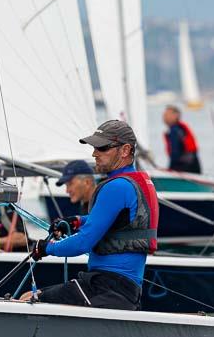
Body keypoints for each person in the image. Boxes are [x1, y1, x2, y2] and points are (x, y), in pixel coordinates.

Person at [19, 120, 159, 311]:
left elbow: (83, 243)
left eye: (102, 148)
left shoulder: (116, 187)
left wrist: (46, 248)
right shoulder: (136, 183)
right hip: (121, 289)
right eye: (94, 148)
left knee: (29, 300)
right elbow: (117, 222)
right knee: (34, 296)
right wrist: (77, 221)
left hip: (106, 287)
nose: (94, 154)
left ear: (125, 150)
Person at [162, 105, 201, 173]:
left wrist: (169, 170)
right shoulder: (179, 129)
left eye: (167, 114)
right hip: (193, 167)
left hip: (186, 168)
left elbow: (175, 154)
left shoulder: (175, 130)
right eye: (164, 115)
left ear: (176, 116)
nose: (164, 117)